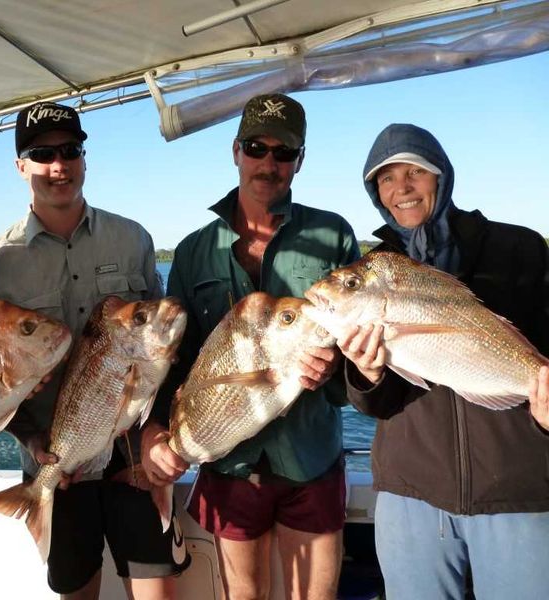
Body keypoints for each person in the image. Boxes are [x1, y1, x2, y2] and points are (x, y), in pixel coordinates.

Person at [0, 101, 190, 600]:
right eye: (42, 153)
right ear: (21, 167)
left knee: (157, 590)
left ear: (84, 159)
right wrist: (31, 441)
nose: (58, 165)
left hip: (131, 458)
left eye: (70, 151)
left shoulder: (132, 239)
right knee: (76, 590)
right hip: (54, 465)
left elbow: (158, 351)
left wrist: (153, 431)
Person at [141, 93, 360, 600]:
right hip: (229, 462)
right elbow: (174, 358)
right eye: (257, 147)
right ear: (235, 151)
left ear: (299, 161)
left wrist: (334, 370)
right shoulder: (196, 249)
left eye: (284, 153)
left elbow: (359, 347)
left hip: (311, 456)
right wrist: (154, 431)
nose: (269, 162)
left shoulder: (332, 234)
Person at [338, 123, 549, 600]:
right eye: (386, 180)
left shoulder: (520, 247)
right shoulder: (377, 267)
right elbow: (377, 403)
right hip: (410, 492)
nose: (402, 189)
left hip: (516, 489)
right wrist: (367, 376)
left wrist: (544, 416)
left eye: (415, 171)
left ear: (442, 176)